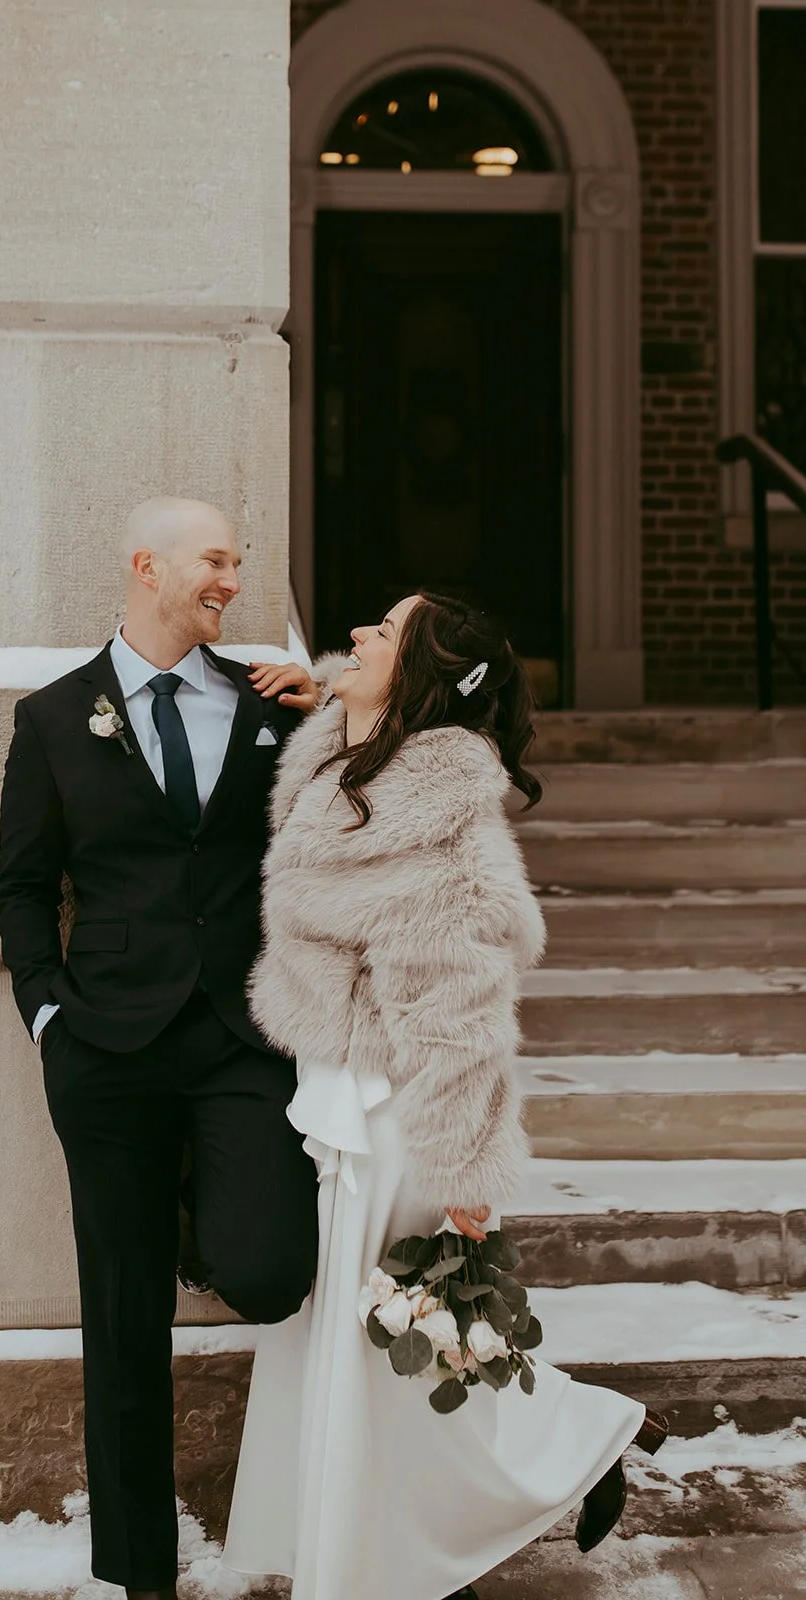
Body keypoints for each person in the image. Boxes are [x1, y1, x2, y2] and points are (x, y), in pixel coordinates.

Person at [224, 591, 666, 1600]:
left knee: (395, 1357)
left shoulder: (441, 820)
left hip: (400, 1118)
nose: (357, 639)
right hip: (335, 1087)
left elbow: (460, 1007)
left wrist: (467, 1173)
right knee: (377, 1354)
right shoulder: (353, 754)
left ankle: (414, 1552)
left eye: (382, 633)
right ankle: (448, 1527)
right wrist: (325, 691)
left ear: (420, 675)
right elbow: (349, 728)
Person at [0, 496, 329, 1600]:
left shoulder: (271, 704)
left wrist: (332, 707)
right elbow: (25, 887)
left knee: (273, 1269)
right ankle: (139, 1570)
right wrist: (50, 1018)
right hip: (110, 1050)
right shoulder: (51, 720)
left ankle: (209, 1212)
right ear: (148, 567)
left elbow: (356, 814)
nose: (232, 580)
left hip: (242, 1039)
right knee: (122, 1314)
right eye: (215, 561)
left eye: (236, 562)